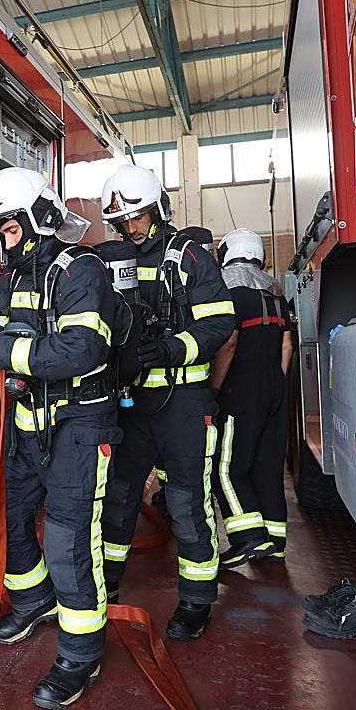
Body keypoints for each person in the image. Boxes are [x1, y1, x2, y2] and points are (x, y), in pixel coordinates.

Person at [0, 167, 124, 709]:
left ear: (39, 219)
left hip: (81, 425)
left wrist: (1, 351)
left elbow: (81, 351)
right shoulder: (14, 279)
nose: (2, 245)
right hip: (28, 422)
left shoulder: (82, 271)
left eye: (7, 232)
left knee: (68, 541)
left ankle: (81, 654)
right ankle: (34, 601)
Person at [97, 165, 235, 641]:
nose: (130, 229)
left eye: (137, 218)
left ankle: (196, 602)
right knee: (117, 498)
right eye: (121, 222)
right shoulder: (114, 261)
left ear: (158, 209)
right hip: (132, 403)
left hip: (182, 401)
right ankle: (106, 586)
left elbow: (220, 324)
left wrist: (174, 347)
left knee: (185, 502)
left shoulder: (189, 255)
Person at [209, 228, 293, 565]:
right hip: (275, 386)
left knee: (226, 469)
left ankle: (247, 539)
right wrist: (275, 385)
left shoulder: (229, 290)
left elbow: (228, 343)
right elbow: (287, 345)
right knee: (267, 467)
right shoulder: (275, 292)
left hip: (239, 388)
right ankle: (275, 541)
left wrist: (215, 389)